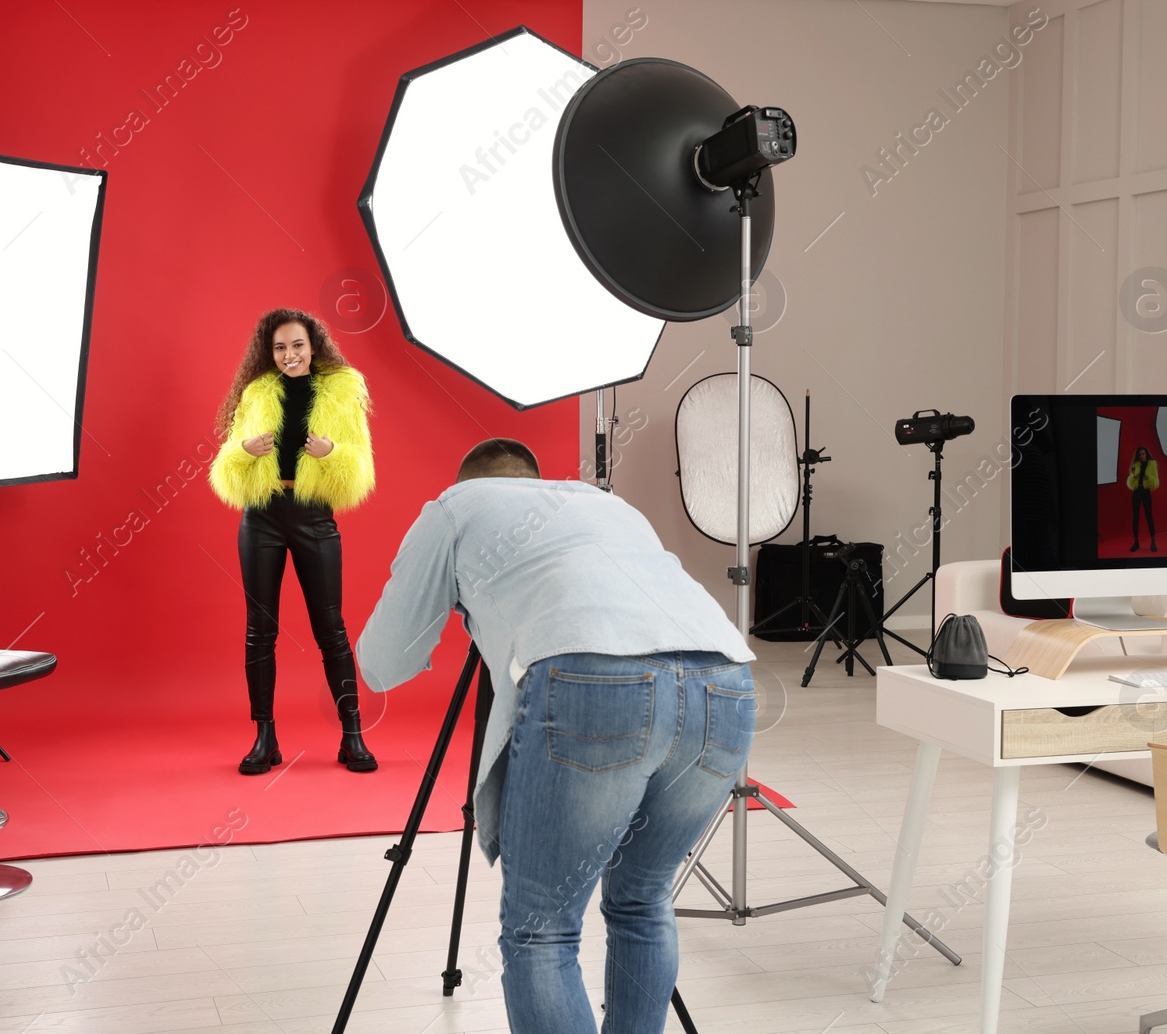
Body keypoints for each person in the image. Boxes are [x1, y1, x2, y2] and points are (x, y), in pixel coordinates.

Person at [356, 438, 756, 1034]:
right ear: (538, 481)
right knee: (643, 902)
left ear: (466, 480)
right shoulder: (609, 505)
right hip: (726, 682)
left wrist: (474, 607)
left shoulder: (455, 505)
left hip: (594, 683)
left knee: (541, 929)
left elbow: (384, 662)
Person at [208, 308, 377, 775]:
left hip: (312, 515)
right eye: (280, 347)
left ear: (313, 345)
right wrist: (243, 452)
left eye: (297, 345)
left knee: (331, 629)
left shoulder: (342, 392)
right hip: (261, 515)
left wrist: (333, 452)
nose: (289, 355)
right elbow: (225, 467)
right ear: (271, 351)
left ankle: (353, 736)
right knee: (259, 631)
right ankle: (265, 737)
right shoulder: (256, 393)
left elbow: (361, 466)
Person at [1126, 445, 1160, 553]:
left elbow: (1156, 482)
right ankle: (1136, 542)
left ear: (1146, 454)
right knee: (1135, 516)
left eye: (1143, 454)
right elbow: (1129, 482)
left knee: (1149, 516)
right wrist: (1133, 477)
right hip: (1136, 492)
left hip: (1146, 492)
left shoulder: (1152, 465)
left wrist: (1149, 478)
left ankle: (1153, 542)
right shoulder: (1135, 465)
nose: (1142, 456)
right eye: (1140, 455)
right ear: (1138, 456)